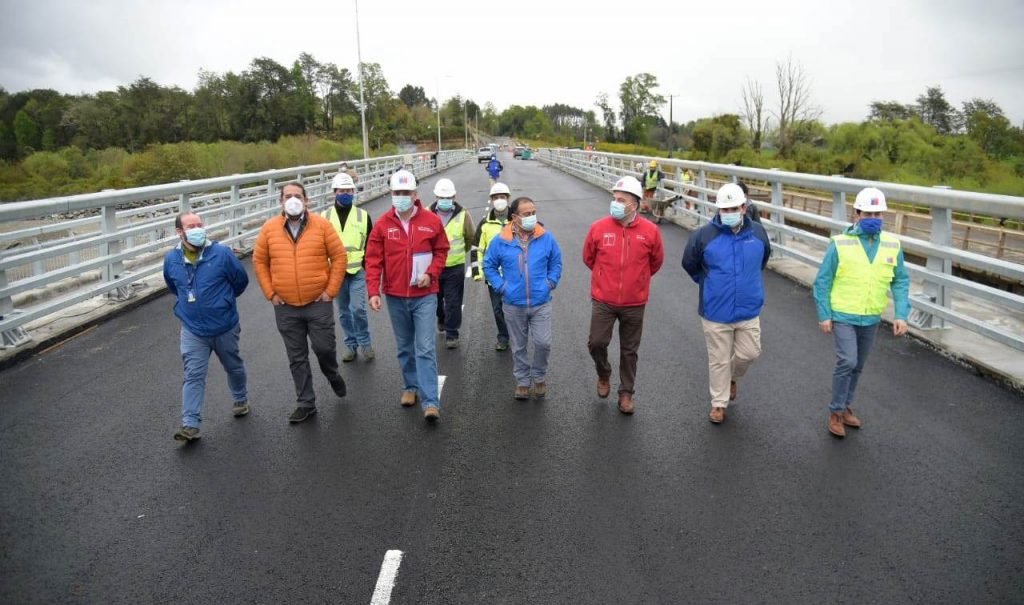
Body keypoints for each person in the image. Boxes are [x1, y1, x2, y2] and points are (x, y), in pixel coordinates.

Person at [813, 187, 910, 438]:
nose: (874, 219)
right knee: (848, 361)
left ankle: (845, 407)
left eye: (878, 214)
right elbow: (823, 281)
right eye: (868, 213)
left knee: (858, 366)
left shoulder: (892, 245)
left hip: (871, 317)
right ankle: (835, 412)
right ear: (856, 214)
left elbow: (900, 281)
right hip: (843, 314)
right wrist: (824, 314)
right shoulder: (840, 243)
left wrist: (900, 314)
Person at [253, 182, 348, 424]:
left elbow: (339, 257)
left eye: (297, 196)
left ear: (307, 201)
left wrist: (330, 291)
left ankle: (332, 373)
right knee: (297, 357)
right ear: (280, 202)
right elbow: (259, 261)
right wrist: (270, 293)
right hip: (285, 306)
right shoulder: (269, 229)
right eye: (287, 196)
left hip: (318, 302)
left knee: (324, 348)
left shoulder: (322, 226)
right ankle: (306, 402)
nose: (292, 200)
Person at [682, 183, 772, 424]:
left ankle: (732, 378)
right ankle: (718, 403)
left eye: (734, 207)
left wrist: (747, 282)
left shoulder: (758, 234)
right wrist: (708, 282)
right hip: (715, 310)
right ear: (718, 209)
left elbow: (763, 260)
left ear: (744, 207)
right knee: (718, 360)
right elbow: (689, 263)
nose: (729, 212)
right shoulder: (703, 236)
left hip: (749, 308)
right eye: (724, 209)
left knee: (750, 354)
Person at [365, 170, 450, 422]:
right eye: (396, 193)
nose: (401, 197)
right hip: (395, 296)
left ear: (415, 194)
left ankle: (431, 401)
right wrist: (373, 291)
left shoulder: (431, 221)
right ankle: (410, 387)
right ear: (391, 194)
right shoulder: (382, 224)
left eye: (406, 193)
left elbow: (442, 251)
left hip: (425, 295)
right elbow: (372, 260)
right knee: (404, 347)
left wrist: (431, 273)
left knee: (424, 348)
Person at [163, 212, 250, 442]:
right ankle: (190, 424)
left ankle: (240, 398)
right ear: (179, 232)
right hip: (193, 329)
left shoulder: (221, 254)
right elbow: (173, 286)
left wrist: (224, 302)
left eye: (200, 224)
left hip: (224, 326)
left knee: (233, 366)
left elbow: (240, 281)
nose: (197, 228)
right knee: (193, 374)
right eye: (191, 226)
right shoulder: (171, 259)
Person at [583, 176, 665, 415]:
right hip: (604, 299)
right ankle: (603, 373)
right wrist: (604, 277)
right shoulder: (598, 228)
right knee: (596, 342)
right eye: (614, 199)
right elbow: (589, 258)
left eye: (621, 200)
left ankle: (626, 393)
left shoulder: (650, 231)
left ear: (635, 204)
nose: (616, 203)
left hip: (634, 301)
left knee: (629, 350)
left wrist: (637, 280)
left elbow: (656, 262)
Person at [483, 197, 563, 400]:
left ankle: (539, 376)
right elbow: (489, 265)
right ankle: (522, 381)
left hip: (540, 303)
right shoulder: (501, 240)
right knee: (519, 346)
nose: (532, 217)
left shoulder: (546, 237)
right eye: (526, 214)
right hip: (513, 304)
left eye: (533, 212)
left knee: (543, 343)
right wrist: (502, 286)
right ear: (514, 217)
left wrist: (550, 283)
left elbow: (556, 262)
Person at [323, 172, 374, 362]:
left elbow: (371, 243)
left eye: (349, 190)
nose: (346, 193)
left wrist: (368, 267)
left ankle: (365, 343)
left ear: (354, 191)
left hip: (357, 271)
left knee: (358, 309)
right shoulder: (324, 217)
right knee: (344, 312)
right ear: (334, 192)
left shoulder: (363, 216)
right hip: (335, 273)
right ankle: (351, 346)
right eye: (342, 190)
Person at [429, 178, 476, 349]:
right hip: (433, 267)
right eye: (441, 197)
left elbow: (470, 237)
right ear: (436, 196)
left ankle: (452, 333)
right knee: (435, 301)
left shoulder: (463, 214)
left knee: (454, 301)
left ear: (454, 196)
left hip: (455, 266)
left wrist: (459, 252)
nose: (445, 200)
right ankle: (441, 318)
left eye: (448, 197)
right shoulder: (427, 213)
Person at [472, 182, 513, 351]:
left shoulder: (517, 220)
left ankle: (517, 336)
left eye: (502, 197)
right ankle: (503, 337)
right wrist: (477, 271)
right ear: (491, 199)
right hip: (494, 276)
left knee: (516, 309)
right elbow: (477, 249)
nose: (499, 200)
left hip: (515, 274)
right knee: (498, 309)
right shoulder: (485, 224)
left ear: (508, 198)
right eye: (496, 197)